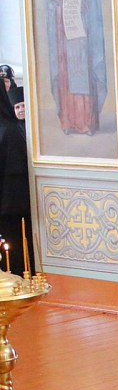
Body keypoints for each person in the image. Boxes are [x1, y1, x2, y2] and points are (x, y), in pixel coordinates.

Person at [48, 0, 106, 135]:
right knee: (65, 69)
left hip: (81, 17)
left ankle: (86, 122)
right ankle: (68, 121)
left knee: (82, 68)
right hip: (63, 18)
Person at [0, 84, 31, 273]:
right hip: (9, 202)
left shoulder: (8, 130)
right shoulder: (9, 128)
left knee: (15, 253)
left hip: (11, 205)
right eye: (16, 106)